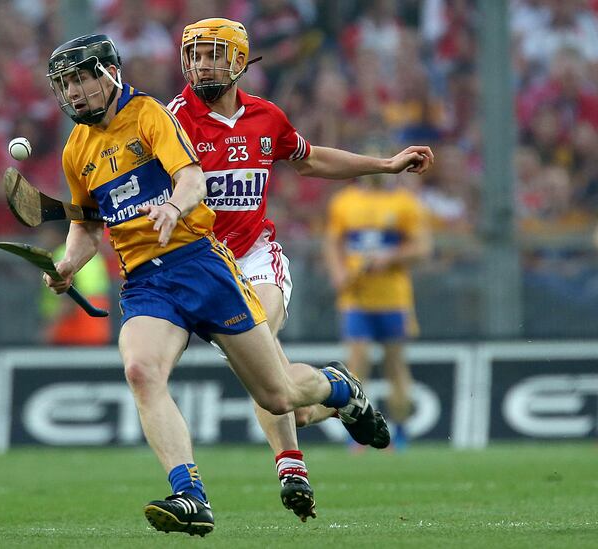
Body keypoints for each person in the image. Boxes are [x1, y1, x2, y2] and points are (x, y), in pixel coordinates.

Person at [42, 34, 387, 537]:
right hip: (145, 281)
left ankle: (338, 386)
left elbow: (192, 179)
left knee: (279, 395)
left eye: (80, 79)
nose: (72, 93)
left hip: (202, 264)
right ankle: (190, 495)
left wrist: (173, 207)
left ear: (108, 73)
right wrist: (68, 264)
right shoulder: (77, 148)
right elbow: (88, 226)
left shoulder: (151, 115)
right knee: (141, 371)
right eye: (64, 84)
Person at [168, 18, 434, 518]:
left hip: (254, 257)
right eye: (195, 54)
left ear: (240, 61)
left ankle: (291, 465)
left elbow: (310, 160)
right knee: (280, 391)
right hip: (200, 267)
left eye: (213, 53)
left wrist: (384, 164)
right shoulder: (170, 121)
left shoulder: (267, 117)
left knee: (262, 341)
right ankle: (341, 394)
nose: (202, 63)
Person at [324, 168, 432, 450]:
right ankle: (360, 435)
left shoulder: (404, 202)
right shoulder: (345, 202)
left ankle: (400, 432)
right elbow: (333, 243)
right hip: (356, 297)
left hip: (393, 298)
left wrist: (390, 256)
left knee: (395, 365)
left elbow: (422, 247)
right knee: (357, 366)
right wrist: (337, 273)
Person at [38, 222, 111, 346]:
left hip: (73, 331)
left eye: (46, 233)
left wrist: (50, 329)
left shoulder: (63, 256)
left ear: (58, 234)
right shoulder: (93, 255)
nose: (42, 238)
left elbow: (68, 300)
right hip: (96, 330)